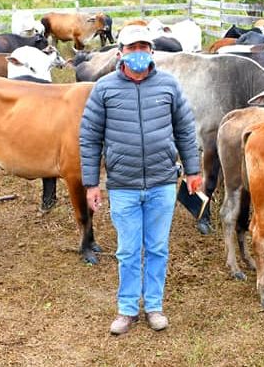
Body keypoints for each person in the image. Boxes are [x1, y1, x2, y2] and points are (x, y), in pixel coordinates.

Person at [79, 25, 203, 336]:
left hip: (162, 181)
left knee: (158, 247)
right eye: (132, 48)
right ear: (120, 52)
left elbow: (185, 130)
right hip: (123, 184)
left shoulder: (169, 86)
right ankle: (127, 308)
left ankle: (155, 306)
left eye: (143, 47)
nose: (138, 54)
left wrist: (192, 170)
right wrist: (92, 183)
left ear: (151, 51)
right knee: (128, 250)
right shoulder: (104, 88)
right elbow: (89, 138)